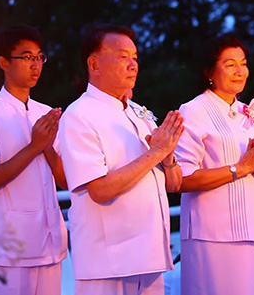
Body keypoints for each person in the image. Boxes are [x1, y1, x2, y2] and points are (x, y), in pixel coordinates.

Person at [59, 25, 183, 294]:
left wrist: (169, 155)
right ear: (94, 64)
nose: (132, 64)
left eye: (135, 57)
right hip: (108, 262)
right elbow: (100, 189)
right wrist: (156, 153)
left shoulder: (139, 112)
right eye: (122, 56)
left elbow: (174, 184)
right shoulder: (79, 115)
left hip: (150, 255)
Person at [0, 25, 68, 294]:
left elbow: (63, 179)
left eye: (39, 57)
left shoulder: (45, 113)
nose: (35, 65)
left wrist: (46, 147)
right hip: (9, 249)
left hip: (50, 242)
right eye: (26, 57)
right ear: (4, 63)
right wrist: (35, 146)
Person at [174, 34, 254, 295]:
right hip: (212, 234)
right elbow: (182, 179)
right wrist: (240, 168)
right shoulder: (193, 110)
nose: (239, 70)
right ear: (210, 71)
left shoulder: (251, 114)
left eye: (243, 63)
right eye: (230, 63)